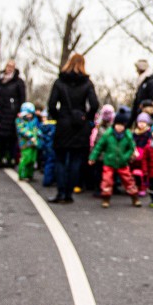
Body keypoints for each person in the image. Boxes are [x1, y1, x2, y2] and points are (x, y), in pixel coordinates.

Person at [46, 52, 99, 204]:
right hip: (80, 125)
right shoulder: (87, 83)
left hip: (63, 124)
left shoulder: (59, 82)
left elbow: (51, 104)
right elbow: (94, 104)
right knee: (76, 161)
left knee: (61, 159)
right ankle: (69, 193)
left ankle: (60, 192)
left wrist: (58, 117)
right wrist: (87, 118)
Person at [89, 107, 141, 209]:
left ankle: (134, 197)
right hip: (109, 162)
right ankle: (106, 198)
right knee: (107, 181)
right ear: (114, 124)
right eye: (118, 125)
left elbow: (132, 148)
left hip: (122, 163)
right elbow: (99, 146)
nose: (120, 127)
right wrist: (93, 157)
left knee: (128, 181)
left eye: (122, 125)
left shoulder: (128, 136)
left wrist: (127, 156)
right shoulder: (108, 134)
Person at [0, 60, 27, 167]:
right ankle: (1, 158)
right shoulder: (0, 80)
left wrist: (20, 111)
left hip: (13, 113)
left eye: (12, 66)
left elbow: (22, 97)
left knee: (12, 138)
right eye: (8, 66)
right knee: (2, 137)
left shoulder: (18, 82)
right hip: (1, 113)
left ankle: (11, 159)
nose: (9, 68)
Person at [87, 104, 115, 193]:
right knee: (99, 172)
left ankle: (104, 188)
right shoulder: (99, 128)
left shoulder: (112, 128)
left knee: (106, 173)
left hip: (107, 155)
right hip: (102, 155)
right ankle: (99, 188)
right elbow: (95, 143)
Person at [16, 102, 44, 181]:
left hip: (34, 143)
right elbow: (21, 130)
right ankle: (22, 175)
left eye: (30, 114)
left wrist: (39, 133)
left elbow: (37, 129)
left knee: (32, 160)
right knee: (26, 159)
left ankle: (29, 175)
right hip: (25, 144)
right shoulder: (20, 120)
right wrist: (31, 135)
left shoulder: (34, 120)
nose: (29, 116)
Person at [131, 111, 153, 197]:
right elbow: (132, 142)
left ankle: (143, 187)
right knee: (133, 171)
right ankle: (134, 186)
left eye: (144, 122)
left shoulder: (149, 133)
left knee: (144, 172)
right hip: (135, 154)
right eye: (140, 122)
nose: (141, 124)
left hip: (144, 155)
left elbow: (150, 144)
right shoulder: (134, 133)